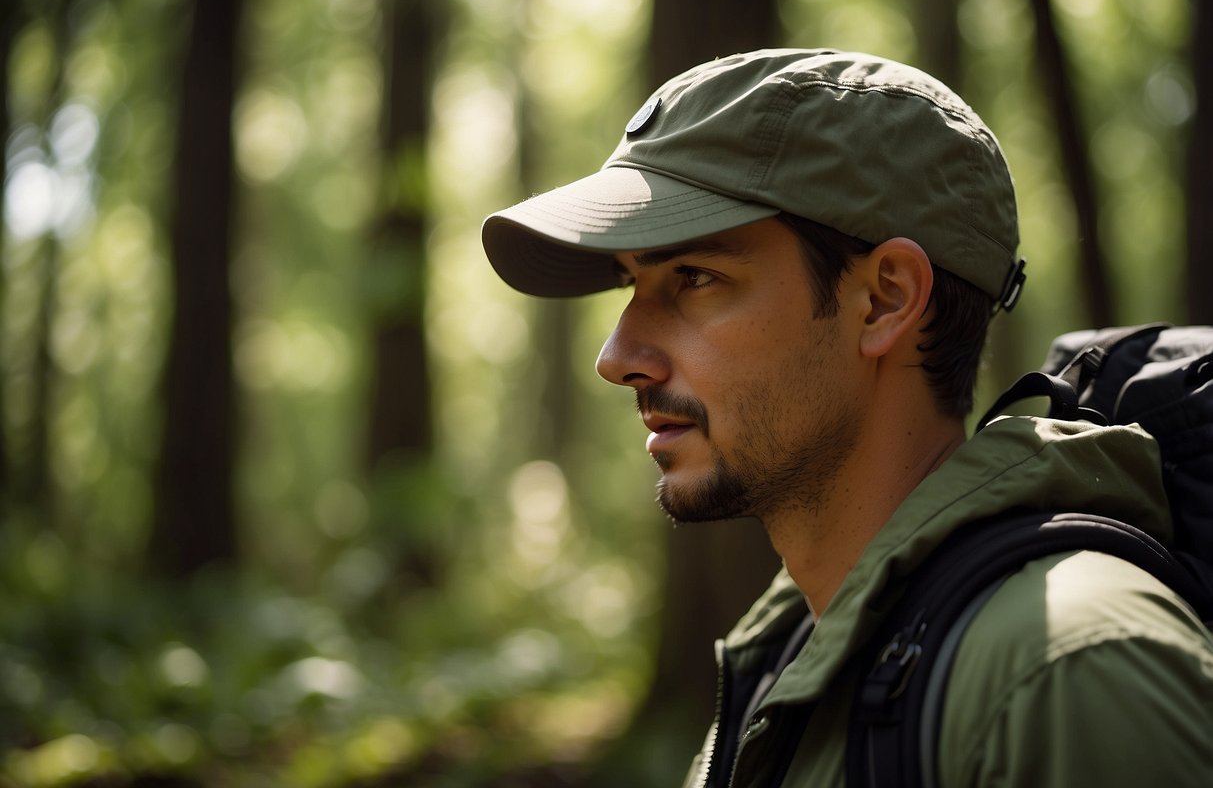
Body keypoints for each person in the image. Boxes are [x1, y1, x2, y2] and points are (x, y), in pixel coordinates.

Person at [481, 49, 1213, 787]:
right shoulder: (790, 653)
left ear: (885, 299)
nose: (617, 356)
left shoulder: (1064, 672)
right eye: (630, 284)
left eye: (694, 279)